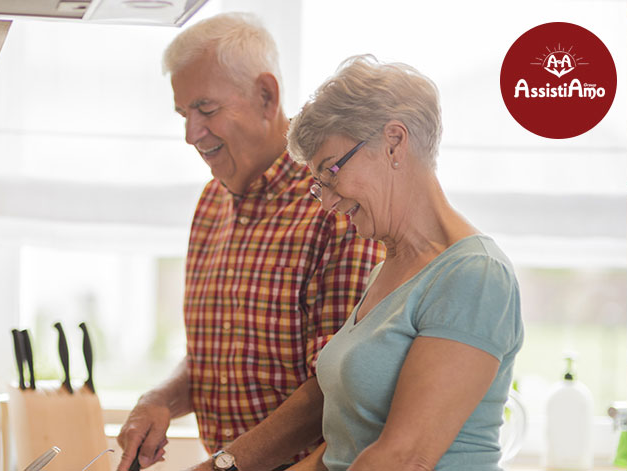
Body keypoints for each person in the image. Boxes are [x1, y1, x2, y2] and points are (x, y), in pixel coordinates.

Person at [115, 14, 384, 471]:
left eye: (206, 108)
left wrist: (224, 466)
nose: (190, 134)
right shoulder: (210, 204)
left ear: (267, 95)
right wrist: (159, 399)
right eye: (184, 114)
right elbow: (220, 355)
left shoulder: (336, 203)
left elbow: (336, 387)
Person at [282, 54, 524, 470]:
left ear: (394, 143)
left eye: (331, 172)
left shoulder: (476, 275)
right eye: (318, 186)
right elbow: (346, 447)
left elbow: (405, 457)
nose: (328, 201)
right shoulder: (386, 270)